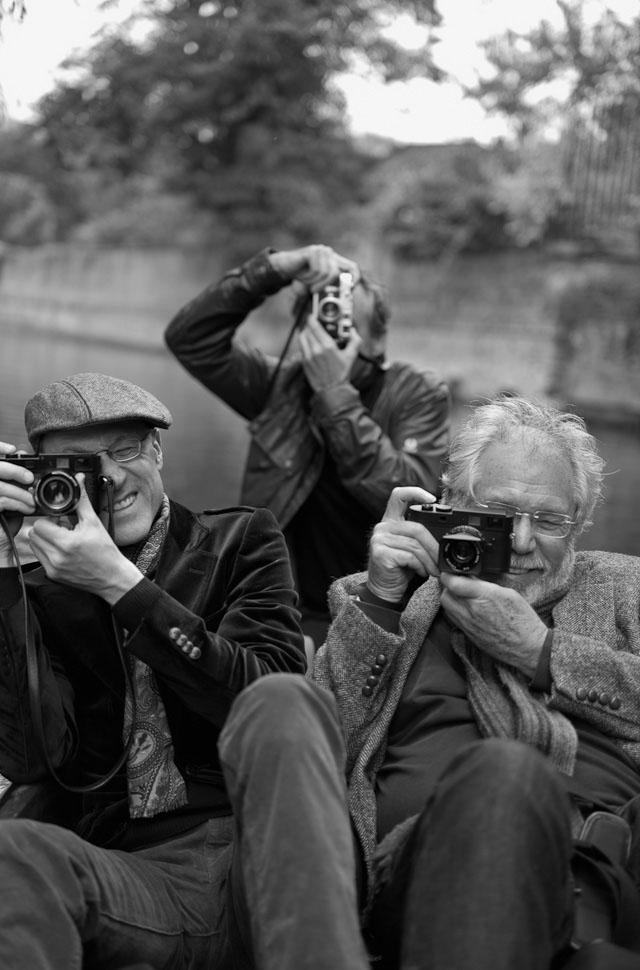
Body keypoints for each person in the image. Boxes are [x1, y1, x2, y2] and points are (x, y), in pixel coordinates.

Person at [0, 372, 368, 970]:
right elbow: (36, 758)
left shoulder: (240, 539)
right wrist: (3, 577)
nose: (112, 477)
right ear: (42, 477)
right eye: (81, 464)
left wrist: (122, 588)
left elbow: (266, 698)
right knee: (15, 853)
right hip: (141, 876)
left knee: (281, 702)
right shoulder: (37, 577)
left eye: (125, 451)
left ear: (159, 451)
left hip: (269, 852)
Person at [310, 394, 640, 970]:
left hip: (607, 867)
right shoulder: (389, 599)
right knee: (504, 775)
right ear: (453, 506)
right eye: (499, 513)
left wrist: (541, 651)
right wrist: (383, 599)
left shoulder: (625, 589)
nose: (519, 541)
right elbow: (314, 749)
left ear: (580, 525)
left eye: (549, 520)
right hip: (426, 868)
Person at [164, 244, 451, 647]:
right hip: (285, 604)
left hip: (379, 603)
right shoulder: (280, 387)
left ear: (377, 340)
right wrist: (273, 268)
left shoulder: (415, 391)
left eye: (343, 320)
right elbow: (189, 339)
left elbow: (417, 497)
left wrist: (334, 392)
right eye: (321, 315)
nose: (329, 329)